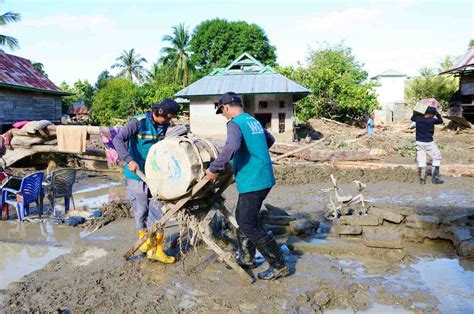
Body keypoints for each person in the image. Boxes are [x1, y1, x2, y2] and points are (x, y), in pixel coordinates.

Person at [205, 92, 289, 280]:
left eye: (223, 112)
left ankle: (279, 265)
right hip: (263, 176)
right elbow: (270, 140)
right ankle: (247, 257)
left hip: (253, 179)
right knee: (243, 216)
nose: (224, 116)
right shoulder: (253, 121)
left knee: (248, 223)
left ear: (226, 107)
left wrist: (214, 168)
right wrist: (254, 153)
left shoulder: (234, 123)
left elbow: (232, 146)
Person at [113, 99, 179, 263]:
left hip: (155, 175)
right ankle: (145, 244)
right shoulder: (138, 122)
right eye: (167, 118)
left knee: (157, 210)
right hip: (136, 174)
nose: (168, 122)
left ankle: (155, 249)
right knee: (141, 210)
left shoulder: (164, 125)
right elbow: (117, 140)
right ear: (159, 113)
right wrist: (129, 160)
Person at [410, 106, 444, 184]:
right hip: (429, 142)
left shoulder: (418, 119)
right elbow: (441, 120)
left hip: (419, 142)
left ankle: (422, 179)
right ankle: (435, 179)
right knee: (437, 157)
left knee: (421, 159)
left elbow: (412, 117)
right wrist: (438, 114)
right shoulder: (432, 120)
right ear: (432, 114)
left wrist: (418, 110)